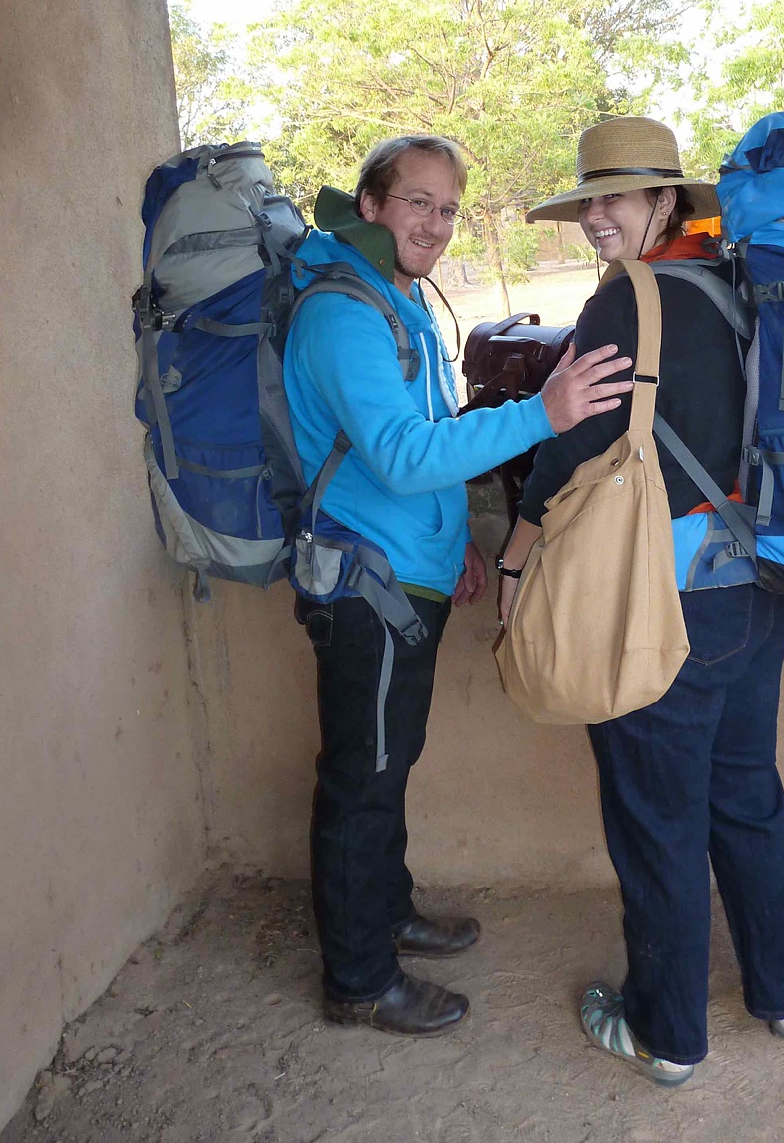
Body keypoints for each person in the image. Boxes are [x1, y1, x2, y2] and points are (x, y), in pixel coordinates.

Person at [282, 133, 634, 1038]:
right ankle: (358, 977)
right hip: (365, 584)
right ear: (370, 205)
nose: (435, 224)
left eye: (447, 208)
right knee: (361, 776)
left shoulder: (392, 295)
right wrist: (542, 413)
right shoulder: (343, 313)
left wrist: (453, 547)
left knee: (388, 758)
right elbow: (403, 456)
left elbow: (423, 434)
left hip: (408, 570)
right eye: (417, 202)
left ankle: (387, 910)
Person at [497, 115, 784, 1086]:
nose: (597, 216)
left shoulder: (623, 303)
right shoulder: (734, 284)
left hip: (663, 604)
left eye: (617, 198)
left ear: (665, 201)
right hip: (757, 589)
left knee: (658, 821)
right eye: (589, 200)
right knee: (747, 794)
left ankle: (666, 1035)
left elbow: (570, 449)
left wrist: (513, 560)